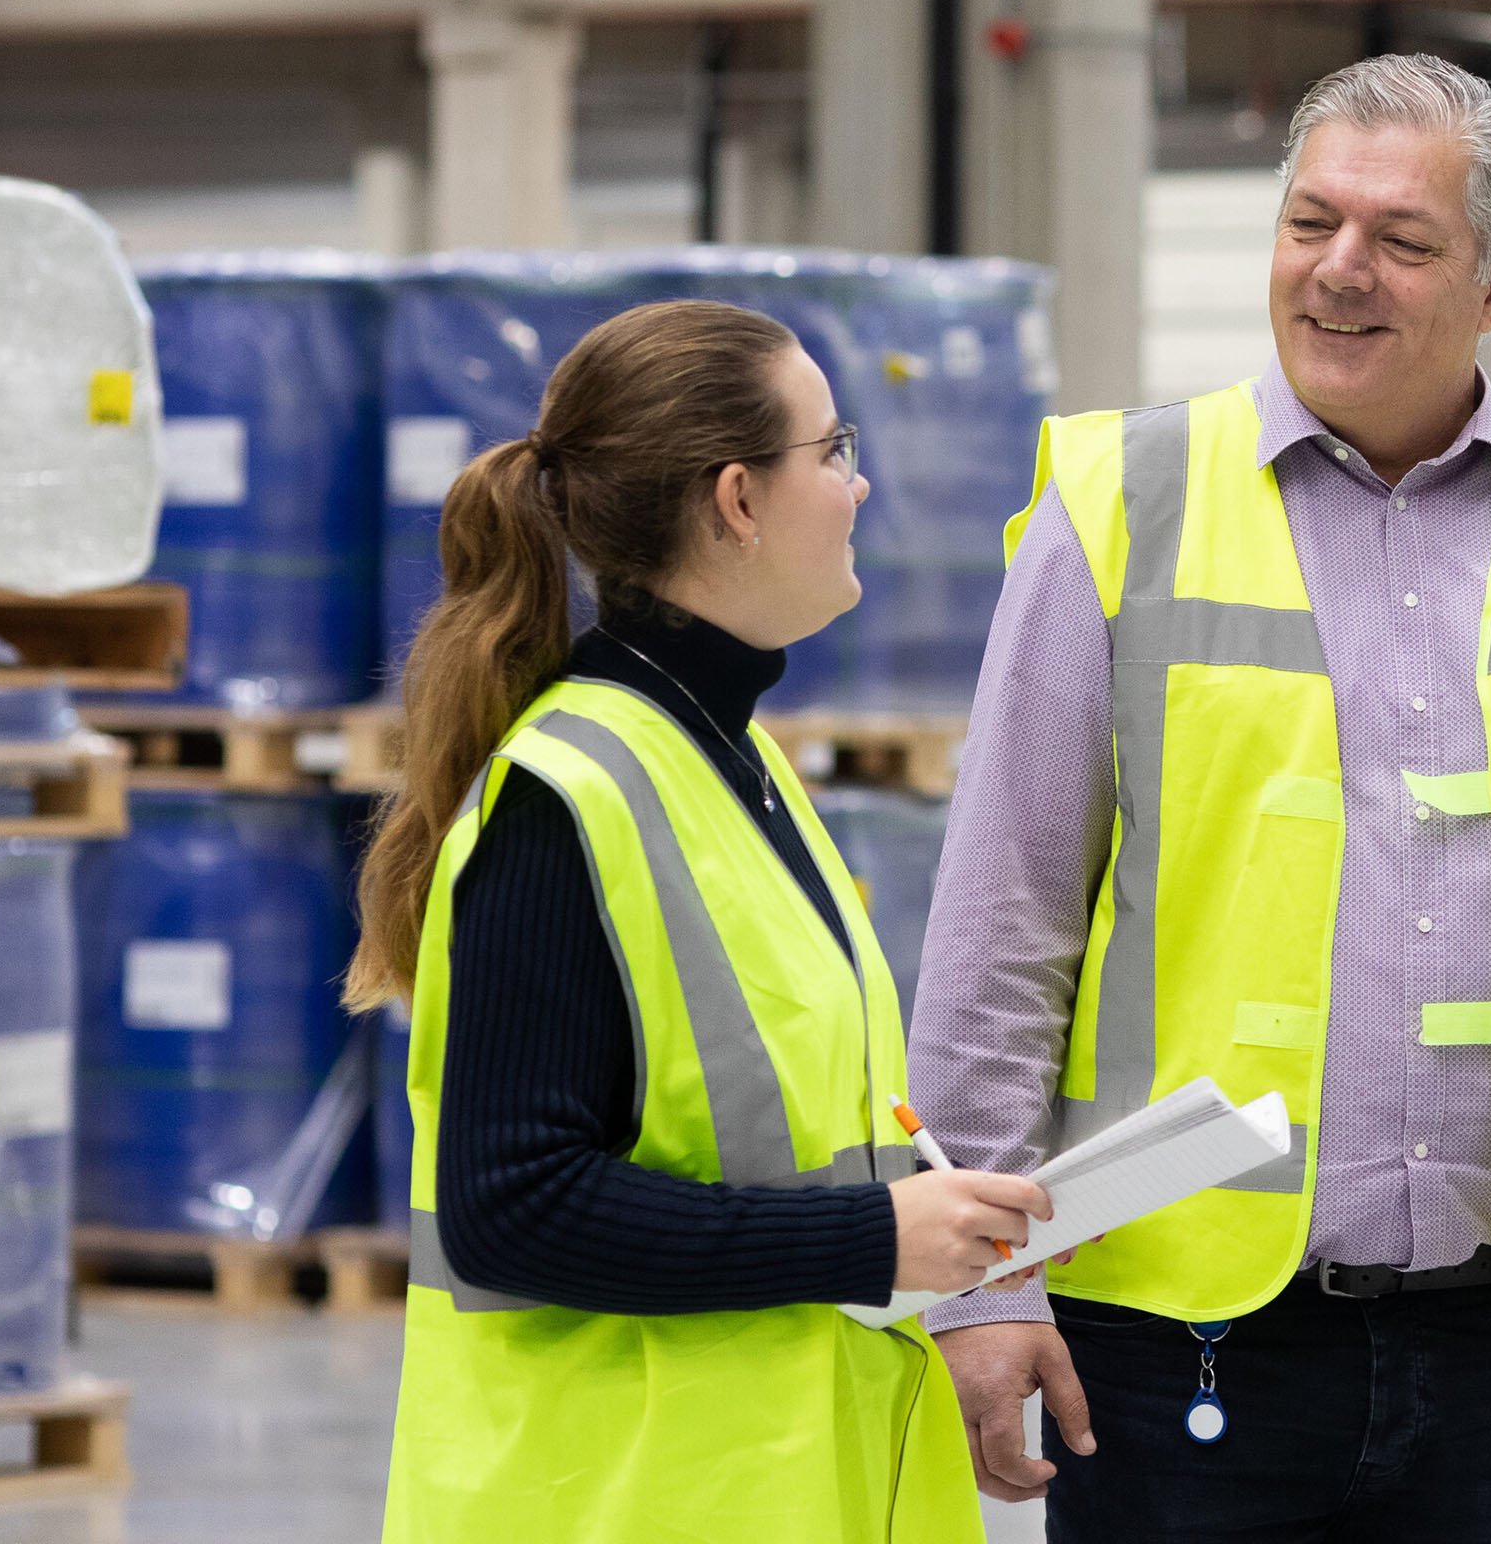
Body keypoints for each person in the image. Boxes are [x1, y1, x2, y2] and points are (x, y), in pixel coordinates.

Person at [908, 54, 1491, 1541]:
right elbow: (1001, 927)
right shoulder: (1122, 503)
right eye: (1309, 224)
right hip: (1174, 1340)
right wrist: (981, 1279)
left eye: (1402, 242)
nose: (1341, 271)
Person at [348, 298, 1045, 1544]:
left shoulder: (734, 762)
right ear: (737, 499)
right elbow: (511, 1209)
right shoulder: (566, 800)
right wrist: (872, 1236)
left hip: (780, 1484)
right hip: (623, 1498)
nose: (860, 484)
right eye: (831, 451)